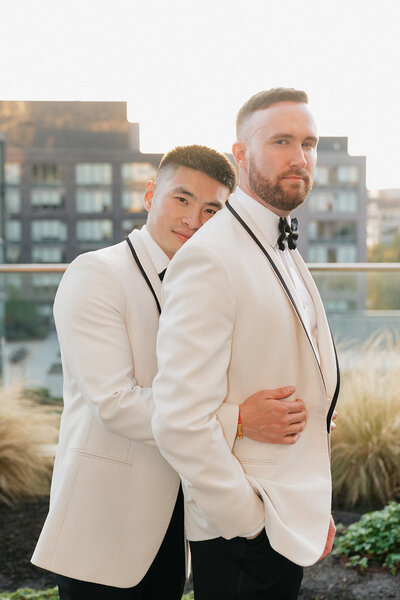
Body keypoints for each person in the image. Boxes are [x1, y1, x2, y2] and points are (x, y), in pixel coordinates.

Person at [31, 144, 308, 600]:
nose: (193, 220)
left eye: (211, 209)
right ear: (149, 195)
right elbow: (114, 404)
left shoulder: (212, 281)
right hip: (105, 527)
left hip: (176, 525)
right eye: (181, 199)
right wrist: (238, 418)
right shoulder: (96, 273)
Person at [152, 90, 340, 600]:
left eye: (308, 143)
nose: (299, 157)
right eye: (281, 141)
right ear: (240, 153)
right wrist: (251, 523)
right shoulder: (210, 257)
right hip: (243, 533)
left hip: (284, 512)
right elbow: (178, 420)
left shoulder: (278, 243)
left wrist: (305, 506)